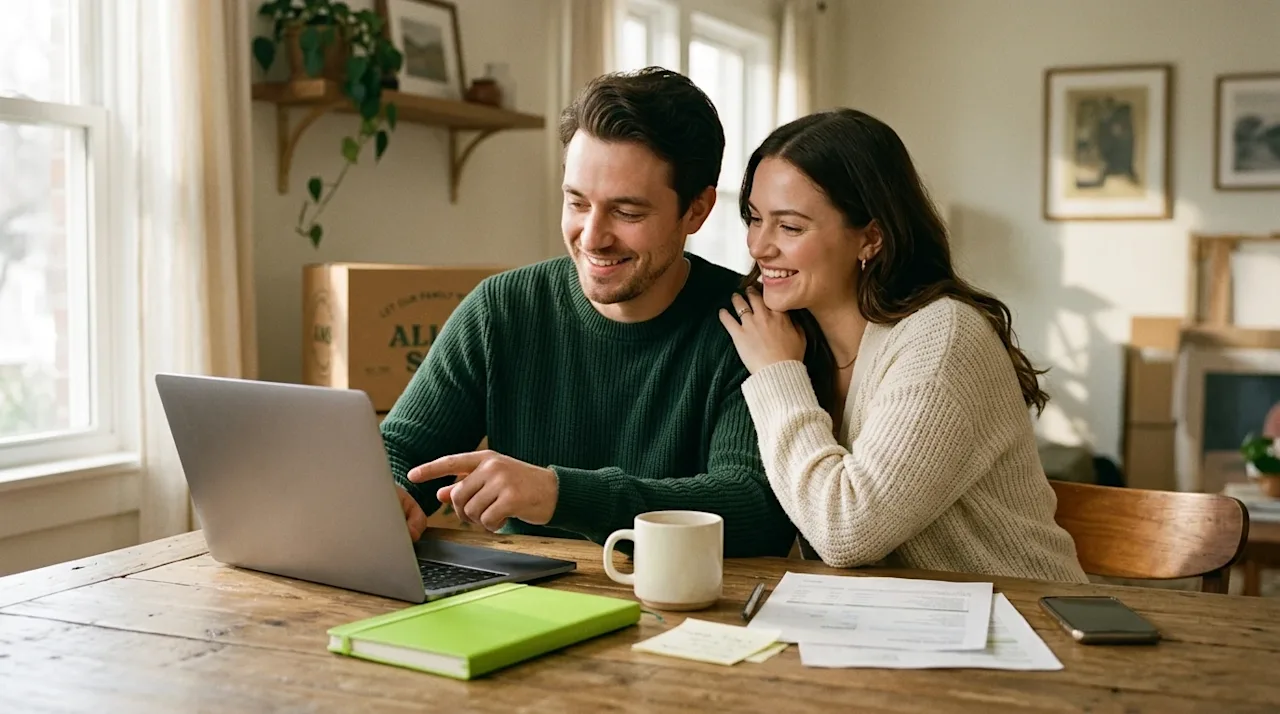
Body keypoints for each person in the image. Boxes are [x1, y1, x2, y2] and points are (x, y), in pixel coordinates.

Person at [380, 67, 796, 558]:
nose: (592, 237)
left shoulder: (750, 326)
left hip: (687, 616)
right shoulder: (502, 309)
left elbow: (752, 508)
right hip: (518, 603)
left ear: (697, 210)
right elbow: (401, 449)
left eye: (627, 213)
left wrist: (559, 495)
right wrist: (389, 493)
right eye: (577, 202)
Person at [717, 108, 1089, 582]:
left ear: (870, 237)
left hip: (1027, 621)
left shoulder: (943, 338)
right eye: (754, 218)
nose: (759, 246)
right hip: (898, 627)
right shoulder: (786, 335)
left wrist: (775, 375)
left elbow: (846, 531)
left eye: (790, 227)